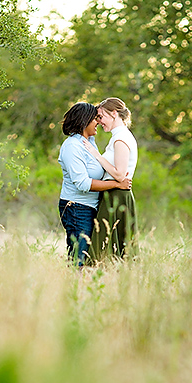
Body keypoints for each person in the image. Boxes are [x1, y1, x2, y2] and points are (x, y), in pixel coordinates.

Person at [57, 102, 132, 267]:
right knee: (80, 258)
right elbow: (83, 183)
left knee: (91, 257)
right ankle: (73, 288)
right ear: (84, 121)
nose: (98, 122)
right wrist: (116, 185)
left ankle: (83, 288)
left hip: (89, 207)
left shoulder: (89, 142)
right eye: (95, 118)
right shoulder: (72, 146)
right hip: (76, 208)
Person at [82, 97, 139, 260]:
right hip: (112, 194)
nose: (99, 122)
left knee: (104, 251)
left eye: (101, 117)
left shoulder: (121, 139)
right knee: (107, 250)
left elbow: (120, 174)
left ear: (114, 114)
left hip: (117, 196)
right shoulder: (118, 137)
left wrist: (97, 156)